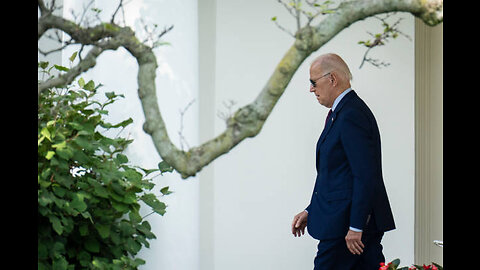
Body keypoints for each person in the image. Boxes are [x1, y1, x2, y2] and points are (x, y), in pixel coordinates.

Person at [291, 53, 396, 270]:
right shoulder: (340, 112)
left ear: (332, 79)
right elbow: (337, 174)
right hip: (345, 223)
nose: (311, 89)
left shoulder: (351, 114)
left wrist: (356, 226)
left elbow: (365, 175)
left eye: (313, 82)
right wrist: (311, 210)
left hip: (347, 229)